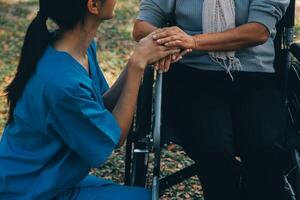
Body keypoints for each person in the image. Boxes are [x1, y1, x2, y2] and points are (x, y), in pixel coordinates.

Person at [0, 0, 180, 199]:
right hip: (30, 189)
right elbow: (115, 136)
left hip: (49, 178)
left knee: (144, 195)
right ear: (93, 6)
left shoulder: (76, 49)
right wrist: (137, 65)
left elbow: (101, 106)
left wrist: (136, 63)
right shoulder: (63, 83)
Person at [133, 0, 290, 200]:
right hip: (193, 75)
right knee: (213, 147)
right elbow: (141, 27)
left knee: (265, 146)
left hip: (254, 75)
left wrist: (193, 41)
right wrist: (168, 42)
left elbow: (258, 31)